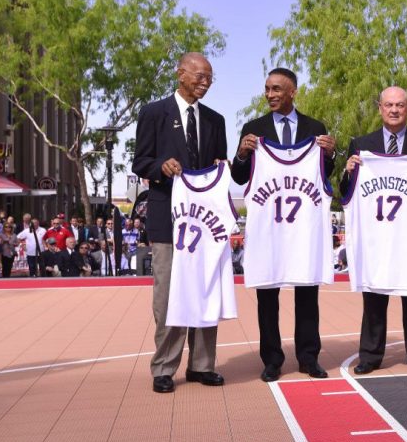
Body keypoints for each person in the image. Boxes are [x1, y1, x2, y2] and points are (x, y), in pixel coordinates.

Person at [230, 67, 336, 382]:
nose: (270, 95)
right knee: (267, 296)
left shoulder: (315, 128)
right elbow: (240, 177)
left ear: (293, 92)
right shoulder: (254, 129)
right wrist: (242, 153)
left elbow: (324, 174)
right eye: (267, 89)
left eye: (276, 89)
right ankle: (272, 360)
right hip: (269, 229)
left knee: (307, 294)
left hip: (303, 228)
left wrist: (330, 155)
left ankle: (308, 357)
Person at [132, 52, 228, 394]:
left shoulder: (215, 120)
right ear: (181, 74)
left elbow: (219, 166)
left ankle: (202, 365)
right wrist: (161, 167)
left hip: (206, 224)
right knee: (168, 295)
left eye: (210, 78)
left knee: (205, 290)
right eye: (200, 76)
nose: (205, 82)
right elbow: (140, 162)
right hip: (167, 220)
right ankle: (164, 367)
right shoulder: (153, 113)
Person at [341, 86, 407, 375]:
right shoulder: (361, 145)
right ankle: (370, 356)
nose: (394, 110)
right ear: (380, 108)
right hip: (376, 234)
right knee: (373, 295)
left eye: (400, 105)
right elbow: (346, 192)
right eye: (389, 105)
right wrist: (348, 171)